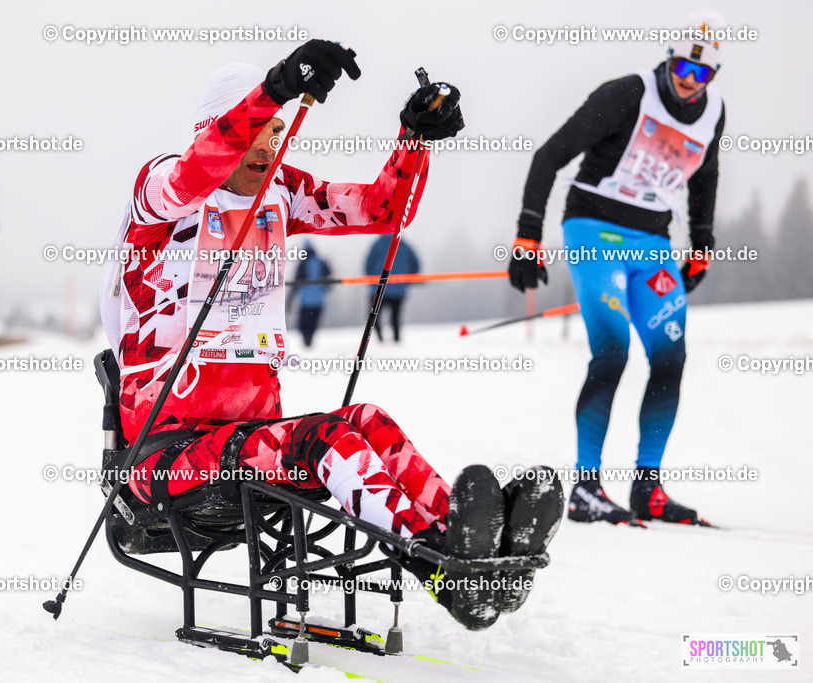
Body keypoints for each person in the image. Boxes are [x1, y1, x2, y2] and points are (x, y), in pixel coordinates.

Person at [100, 39, 562, 629]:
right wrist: (273, 92)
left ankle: (476, 543)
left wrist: (413, 138)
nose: (267, 145)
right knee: (327, 443)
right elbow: (196, 171)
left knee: (367, 421)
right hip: (164, 458)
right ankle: (445, 568)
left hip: (249, 436)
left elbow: (379, 209)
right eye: (254, 131)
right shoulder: (162, 193)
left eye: (275, 132)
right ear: (210, 127)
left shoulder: (280, 193)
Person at [506, 12, 726, 526]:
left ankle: (647, 488)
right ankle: (585, 487)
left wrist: (702, 243)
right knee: (613, 348)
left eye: (702, 75)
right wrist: (527, 234)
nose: (689, 83)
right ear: (669, 61)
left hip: (652, 240)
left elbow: (706, 178)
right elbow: (549, 155)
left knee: (670, 356)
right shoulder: (627, 94)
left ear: (713, 77)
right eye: (682, 69)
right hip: (593, 228)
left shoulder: (714, 112)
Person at [365, 234, 420, 342]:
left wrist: (371, 280)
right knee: (395, 318)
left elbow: (368, 265)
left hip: (378, 288)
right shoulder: (404, 245)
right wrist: (408, 279)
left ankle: (380, 339)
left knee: (373, 317)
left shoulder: (377, 244)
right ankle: (396, 339)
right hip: (398, 289)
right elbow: (416, 264)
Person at [286, 239, 331, 347]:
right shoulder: (321, 262)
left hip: (305, 301)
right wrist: (324, 288)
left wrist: (289, 302)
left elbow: (296, 283)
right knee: (313, 323)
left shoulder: (303, 264)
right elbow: (329, 279)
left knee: (303, 324)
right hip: (319, 300)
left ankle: (306, 340)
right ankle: (309, 340)